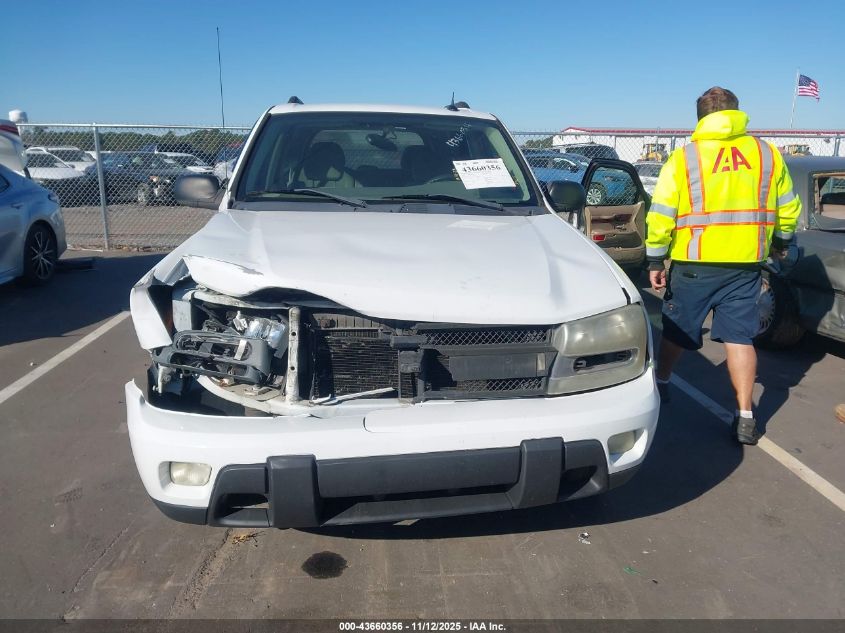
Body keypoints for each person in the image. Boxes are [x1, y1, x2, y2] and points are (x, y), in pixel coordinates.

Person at [645, 87, 801, 445]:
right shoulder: (766, 154)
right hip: (746, 263)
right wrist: (781, 242)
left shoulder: (686, 158)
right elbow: (788, 207)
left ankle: (663, 383)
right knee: (739, 337)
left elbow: (662, 212)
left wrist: (655, 257)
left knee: (679, 329)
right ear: (736, 113)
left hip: (695, 262)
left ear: (701, 118)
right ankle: (746, 415)